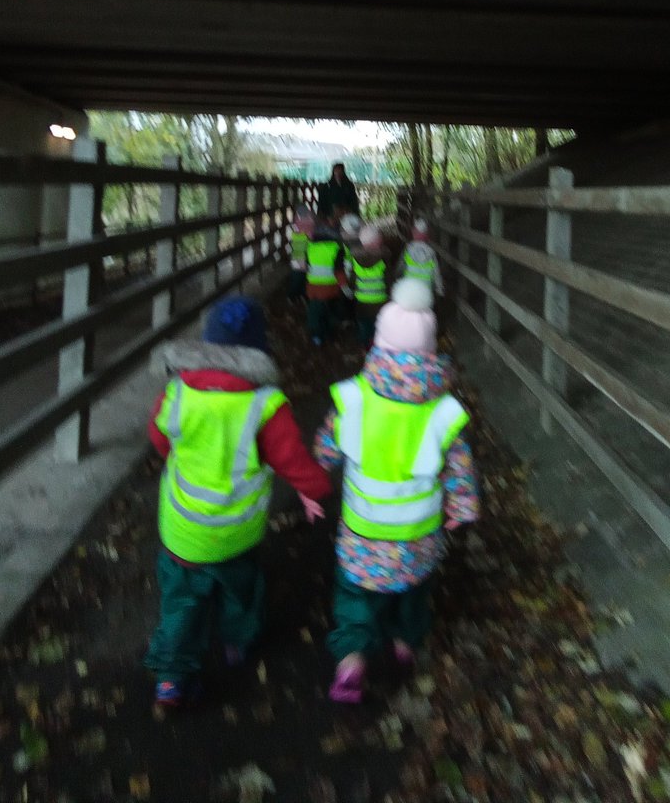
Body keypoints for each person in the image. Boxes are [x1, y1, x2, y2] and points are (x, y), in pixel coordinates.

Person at [145, 295, 332, 706]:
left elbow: (160, 439)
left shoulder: (177, 393)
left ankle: (171, 678)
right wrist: (316, 490)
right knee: (241, 591)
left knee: (180, 603)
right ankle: (237, 644)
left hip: (183, 531)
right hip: (236, 533)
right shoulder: (265, 405)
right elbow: (292, 461)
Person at [313, 279, 480, 703]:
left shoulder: (354, 398)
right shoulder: (442, 410)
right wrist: (462, 505)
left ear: (379, 347)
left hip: (362, 533)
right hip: (418, 536)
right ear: (429, 353)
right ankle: (405, 645)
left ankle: (351, 661)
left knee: (355, 597)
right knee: (412, 594)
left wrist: (314, 477)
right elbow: (459, 467)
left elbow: (326, 449)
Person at [305, 213, 347, 346]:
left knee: (315, 313)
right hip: (331, 289)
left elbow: (307, 266)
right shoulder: (337, 249)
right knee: (330, 312)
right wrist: (345, 287)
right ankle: (329, 334)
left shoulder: (310, 248)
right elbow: (339, 271)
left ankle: (316, 336)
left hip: (313, 289)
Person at [347, 223, 389, 348]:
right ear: (377, 241)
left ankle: (364, 343)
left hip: (361, 300)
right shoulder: (384, 259)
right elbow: (389, 279)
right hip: (379, 300)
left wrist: (351, 289)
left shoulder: (354, 259)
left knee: (364, 323)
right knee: (378, 324)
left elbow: (352, 279)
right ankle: (377, 344)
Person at [397, 216, 444, 297]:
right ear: (426, 235)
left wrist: (397, 277)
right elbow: (436, 273)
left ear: (414, 233)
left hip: (409, 288)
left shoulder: (408, 249)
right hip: (426, 290)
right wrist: (439, 289)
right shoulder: (431, 252)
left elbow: (401, 266)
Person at [287, 205, 315, 302]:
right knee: (302, 275)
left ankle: (296, 294)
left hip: (298, 251)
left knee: (299, 275)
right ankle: (296, 295)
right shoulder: (310, 222)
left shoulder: (297, 223)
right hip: (304, 251)